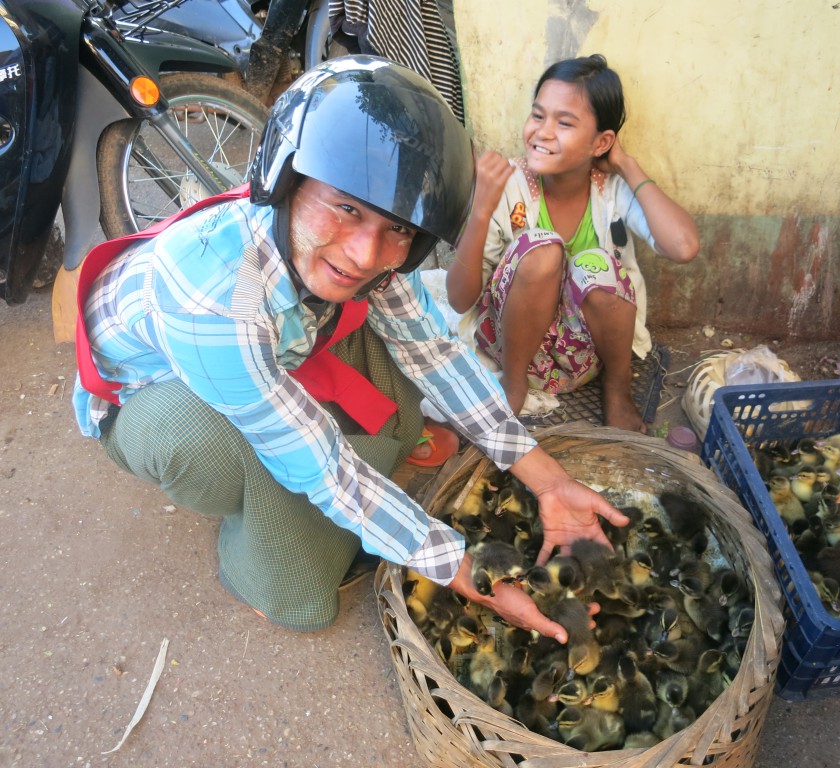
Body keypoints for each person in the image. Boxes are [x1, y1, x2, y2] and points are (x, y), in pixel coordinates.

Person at [72, 56, 627, 636]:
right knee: (279, 533)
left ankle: (350, 458)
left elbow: (431, 352)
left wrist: (549, 480)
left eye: (398, 229)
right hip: (151, 396)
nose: (367, 253)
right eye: (346, 208)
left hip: (276, 348)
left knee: (392, 349)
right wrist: (466, 571)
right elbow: (326, 469)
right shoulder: (213, 304)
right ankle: (253, 557)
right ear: (284, 179)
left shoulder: (372, 258)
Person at [446, 53, 700, 433]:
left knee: (596, 264)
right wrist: (481, 209)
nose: (543, 132)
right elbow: (459, 300)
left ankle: (617, 388)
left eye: (564, 122)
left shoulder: (610, 191)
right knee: (542, 249)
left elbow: (683, 246)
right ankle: (513, 386)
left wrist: (627, 166)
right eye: (537, 115)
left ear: (601, 142)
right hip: (510, 348)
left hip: (584, 357)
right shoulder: (507, 185)